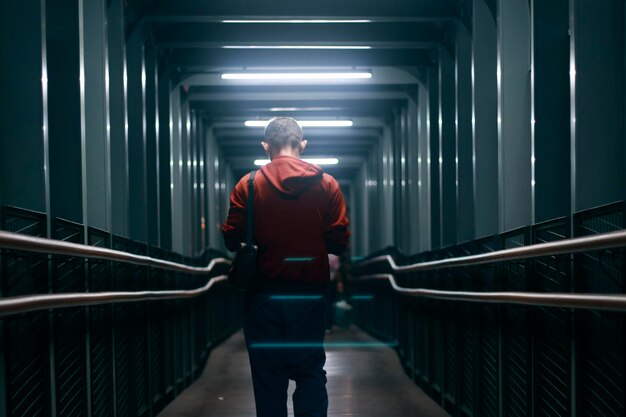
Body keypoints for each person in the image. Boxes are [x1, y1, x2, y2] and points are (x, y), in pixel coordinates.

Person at [222, 117, 350, 417]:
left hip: (263, 293)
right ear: (303, 145)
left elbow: (231, 238)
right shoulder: (327, 184)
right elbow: (339, 243)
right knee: (309, 370)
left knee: (268, 376)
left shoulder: (248, 184)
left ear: (265, 146)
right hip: (309, 294)